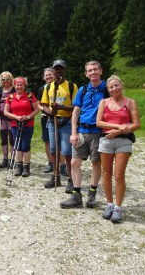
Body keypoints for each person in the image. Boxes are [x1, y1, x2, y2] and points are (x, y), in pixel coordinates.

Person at [60, 61, 108, 209]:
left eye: (95, 69)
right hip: (82, 131)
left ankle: (92, 193)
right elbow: (75, 111)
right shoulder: (83, 89)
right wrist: (74, 132)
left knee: (96, 163)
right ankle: (76, 195)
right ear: (86, 74)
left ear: (100, 71)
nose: (93, 72)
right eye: (90, 70)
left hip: (99, 133)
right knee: (75, 162)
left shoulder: (107, 89)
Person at [97, 75, 140, 223]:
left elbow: (136, 124)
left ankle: (118, 207)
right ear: (108, 89)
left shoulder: (130, 102)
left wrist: (120, 132)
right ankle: (109, 204)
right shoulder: (104, 102)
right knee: (106, 172)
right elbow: (99, 122)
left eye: (117, 85)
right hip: (106, 140)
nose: (114, 89)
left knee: (119, 175)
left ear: (121, 85)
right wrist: (117, 126)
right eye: (111, 87)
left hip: (123, 141)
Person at [41, 59, 78, 192]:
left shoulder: (71, 86)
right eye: (56, 69)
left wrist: (61, 107)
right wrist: (49, 111)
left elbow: (76, 107)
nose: (58, 72)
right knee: (54, 150)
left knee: (67, 152)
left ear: (64, 70)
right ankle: (55, 176)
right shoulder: (49, 87)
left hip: (66, 121)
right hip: (52, 121)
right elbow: (44, 105)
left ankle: (71, 179)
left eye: (61, 69)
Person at [3, 77, 39, 176]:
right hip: (15, 124)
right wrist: (16, 117)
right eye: (17, 85)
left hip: (28, 124)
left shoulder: (30, 95)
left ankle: (26, 167)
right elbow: (6, 112)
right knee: (17, 146)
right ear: (14, 86)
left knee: (25, 145)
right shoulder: (10, 97)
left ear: (24, 86)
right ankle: (19, 167)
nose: (19, 87)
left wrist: (28, 117)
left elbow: (36, 109)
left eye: (21, 85)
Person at [37, 68, 69, 175]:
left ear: (54, 75)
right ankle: (51, 163)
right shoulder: (42, 89)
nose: (48, 77)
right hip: (46, 117)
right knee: (48, 142)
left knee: (61, 142)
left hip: (61, 118)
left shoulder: (62, 87)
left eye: (50, 74)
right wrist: (48, 111)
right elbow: (39, 104)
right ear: (43, 77)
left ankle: (63, 164)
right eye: (46, 75)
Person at [0, 71, 16, 168]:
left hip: (12, 118)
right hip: (2, 118)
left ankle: (12, 159)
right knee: (3, 138)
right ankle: (5, 159)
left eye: (7, 79)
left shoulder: (14, 90)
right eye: (3, 79)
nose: (5, 81)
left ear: (10, 79)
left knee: (12, 138)